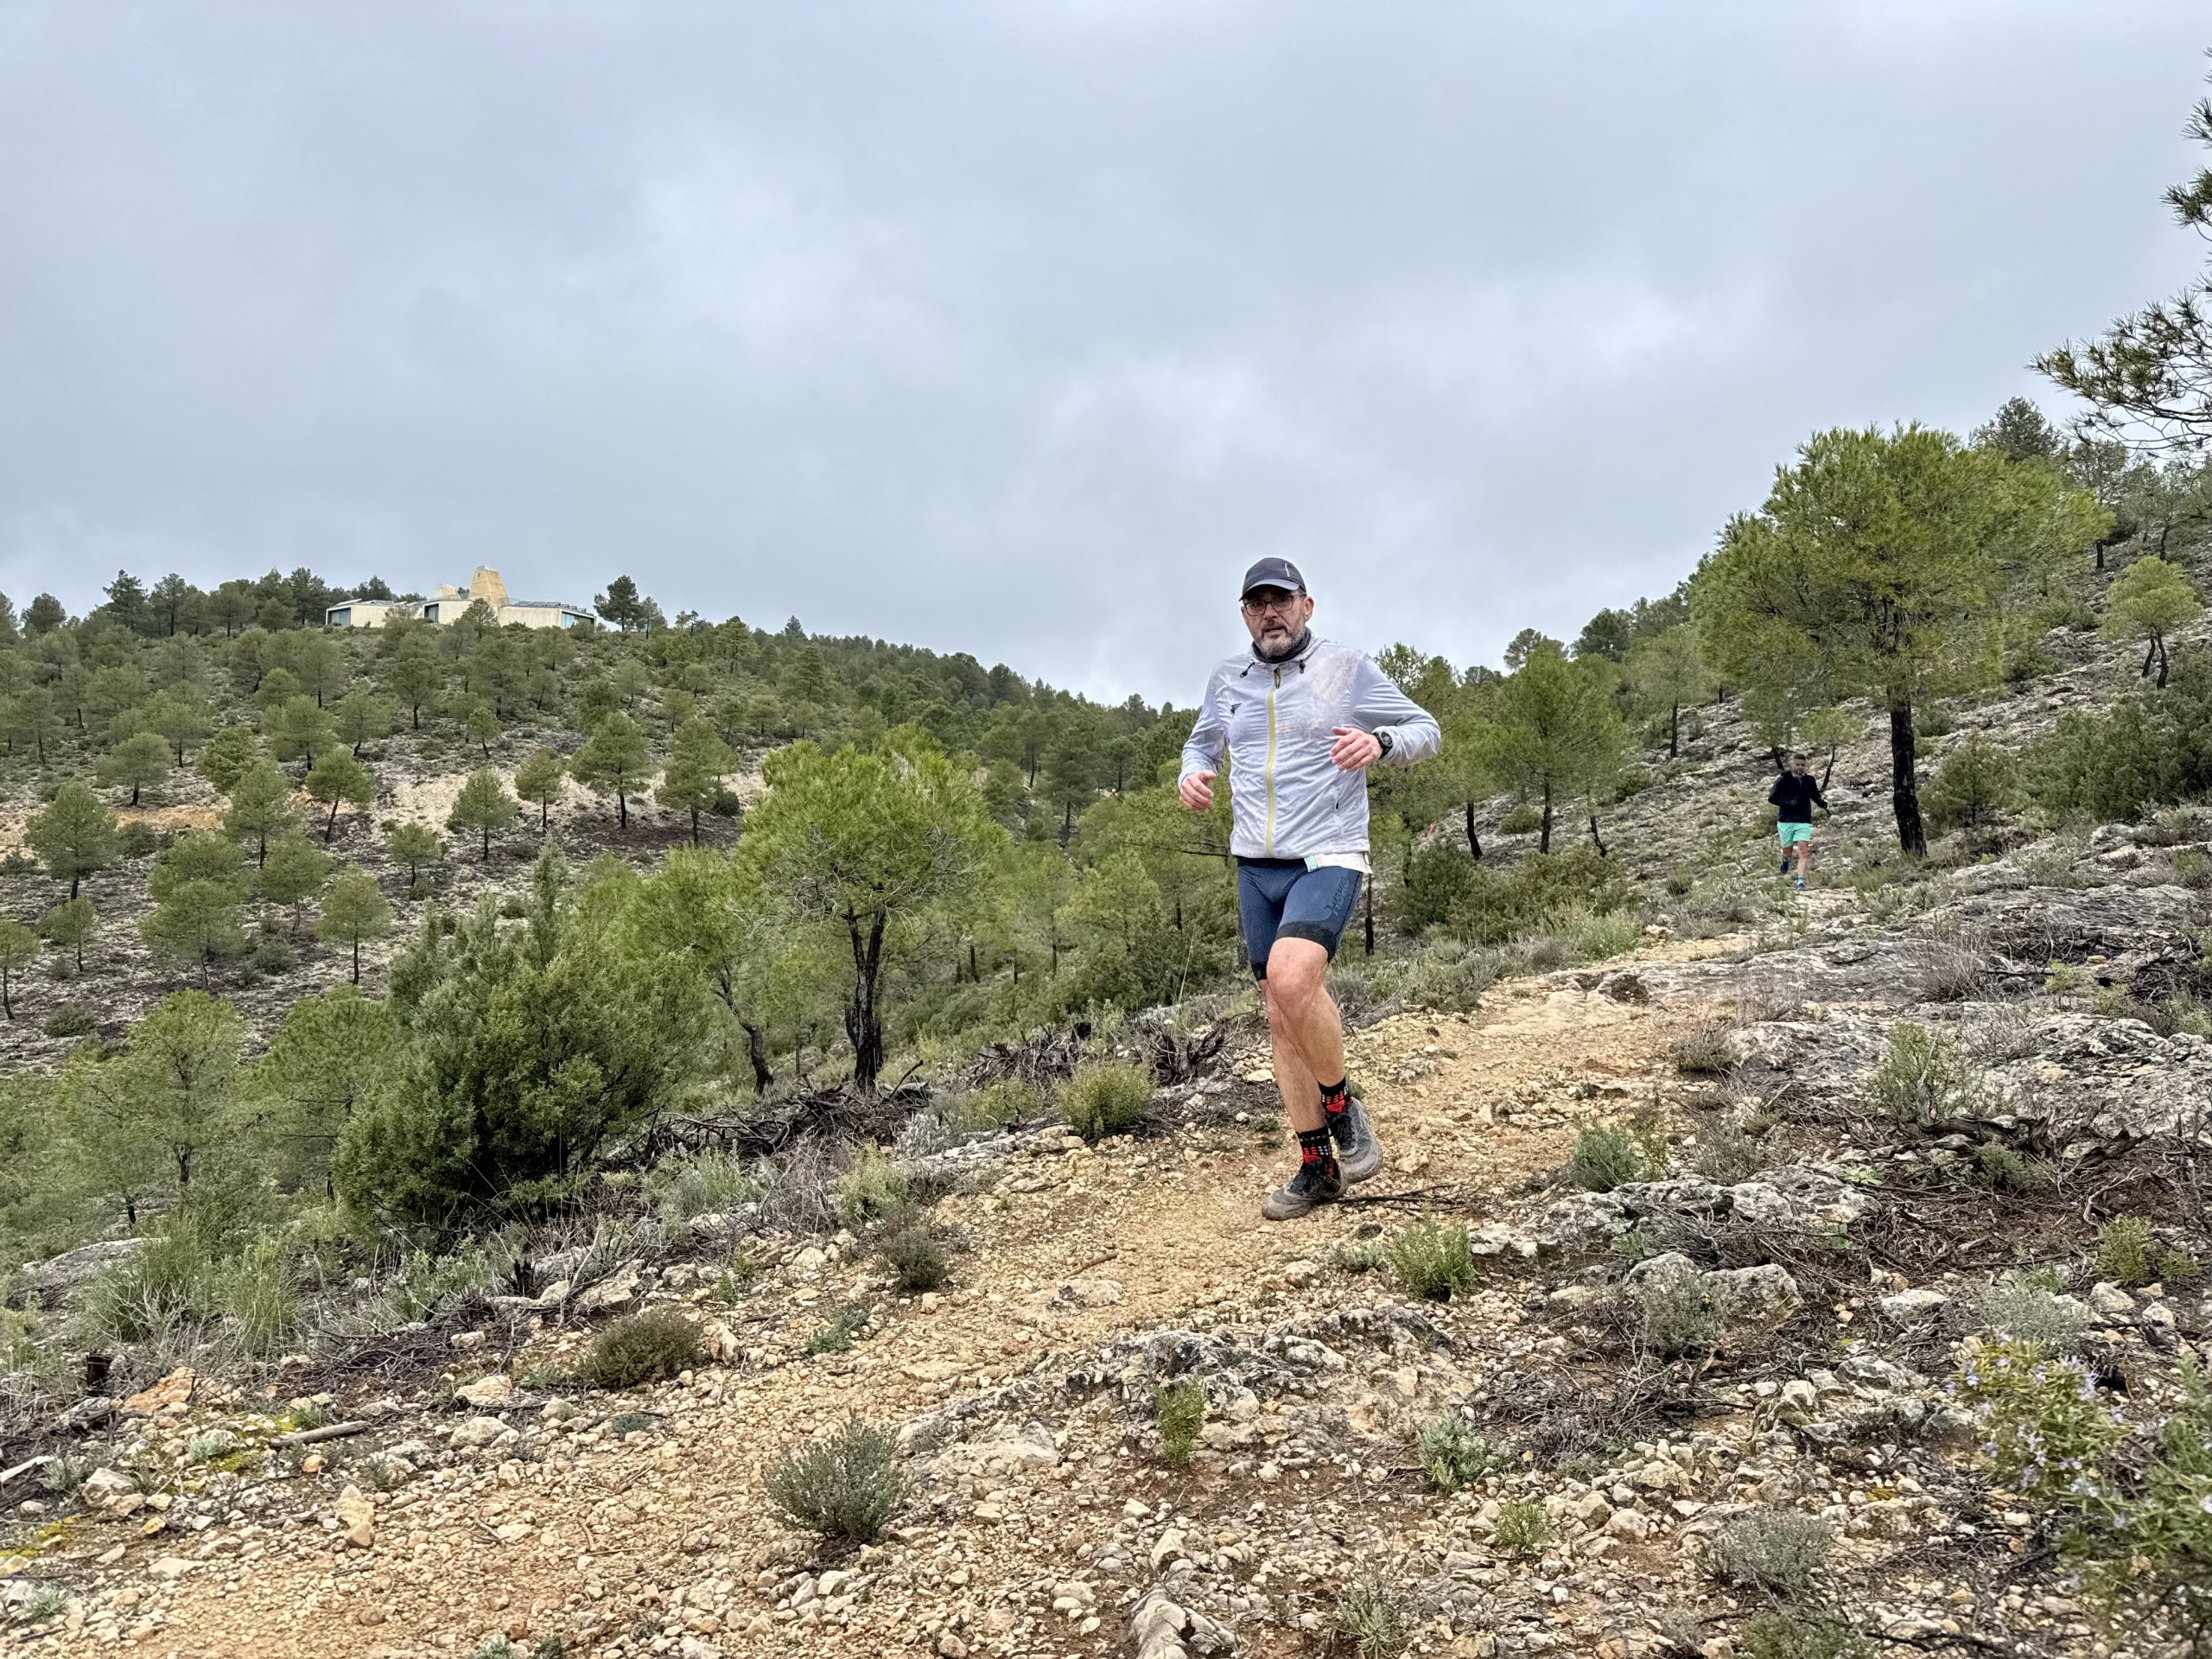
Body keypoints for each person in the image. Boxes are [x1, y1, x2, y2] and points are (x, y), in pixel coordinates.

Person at [1179, 558, 1441, 1220]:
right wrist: (1193, 773)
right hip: (1255, 863)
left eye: (1282, 600)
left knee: (1293, 980)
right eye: (1258, 603)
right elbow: (1202, 744)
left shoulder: (1345, 669)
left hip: (1328, 850)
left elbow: (1426, 730)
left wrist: (1380, 743)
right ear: (1245, 614)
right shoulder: (1227, 679)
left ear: (1307, 606)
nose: (1271, 612)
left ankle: (1343, 1106)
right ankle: (1317, 1168)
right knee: (1279, 1014)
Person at [1770, 752, 1827, 888]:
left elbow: (1814, 794)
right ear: (1791, 765)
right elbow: (1772, 798)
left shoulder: (1809, 780)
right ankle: (1785, 862)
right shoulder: (1784, 780)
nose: (1800, 767)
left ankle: (1801, 881)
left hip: (1803, 819)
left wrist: (1821, 803)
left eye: (1803, 765)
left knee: (1803, 850)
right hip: (1786, 820)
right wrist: (1787, 802)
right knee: (1787, 851)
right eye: (1797, 765)